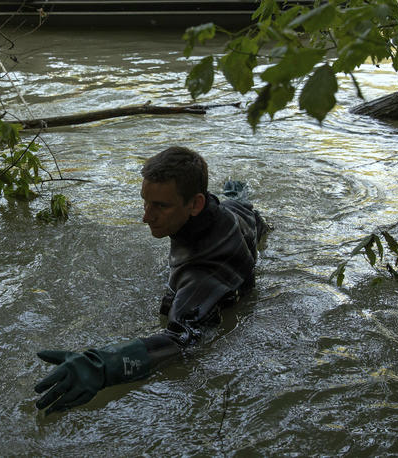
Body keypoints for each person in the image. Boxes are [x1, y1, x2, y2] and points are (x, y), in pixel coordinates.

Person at [33, 146, 270, 414]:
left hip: (243, 236)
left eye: (160, 206)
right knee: (234, 197)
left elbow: (183, 338)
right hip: (240, 211)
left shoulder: (204, 272)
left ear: (195, 205)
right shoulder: (208, 212)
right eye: (145, 201)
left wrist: (106, 365)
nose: (146, 216)